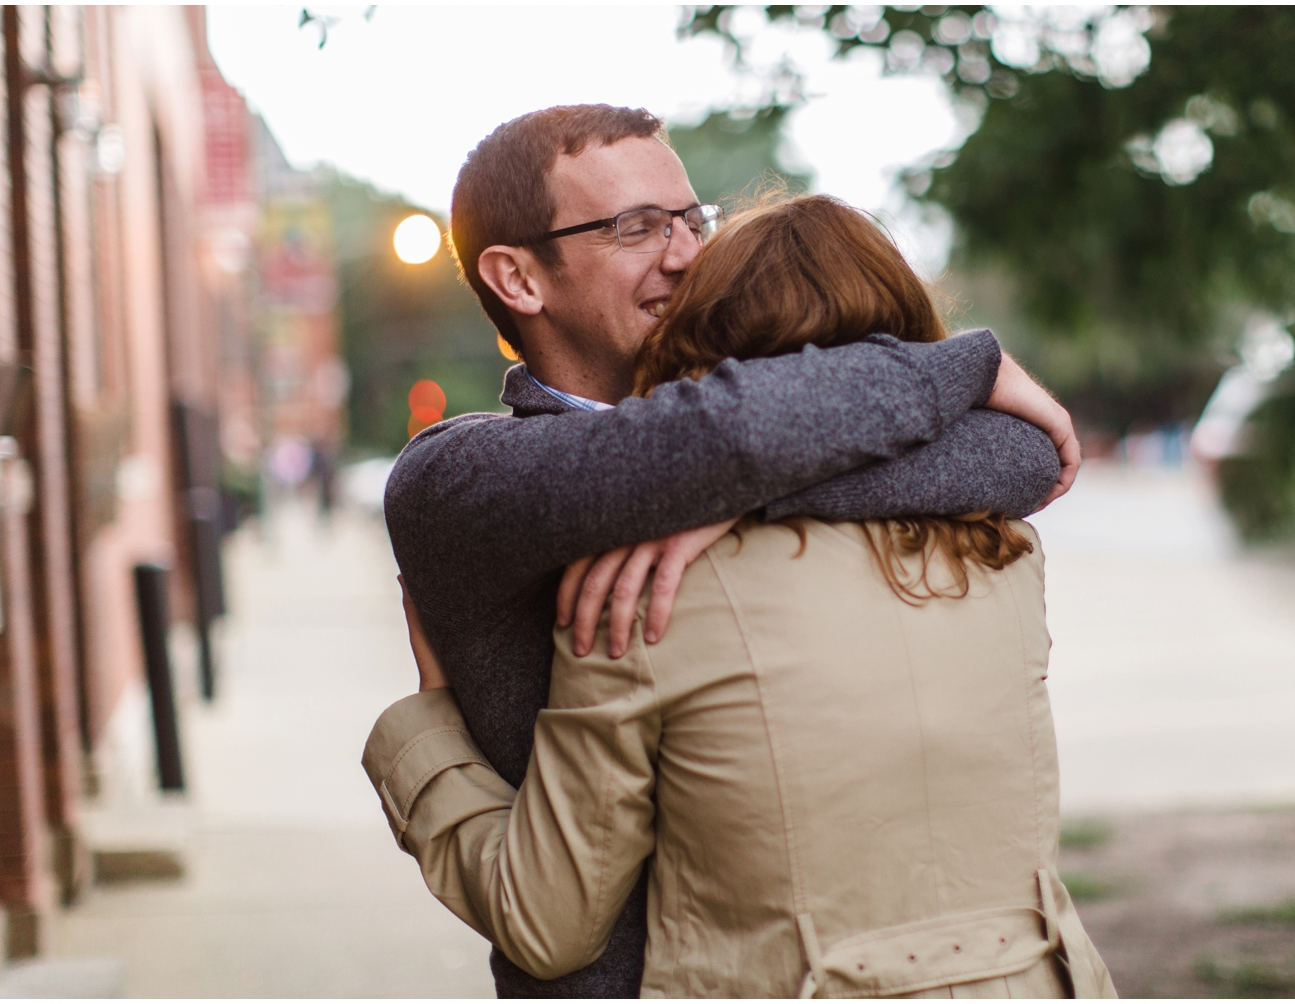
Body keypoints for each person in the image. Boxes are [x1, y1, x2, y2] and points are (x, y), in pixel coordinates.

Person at [375, 104, 1079, 998]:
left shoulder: (757, 442)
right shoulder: (461, 481)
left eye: (691, 220)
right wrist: (962, 367)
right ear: (518, 277)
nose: (686, 254)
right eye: (636, 227)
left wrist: (737, 495)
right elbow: (729, 444)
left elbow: (1021, 454)